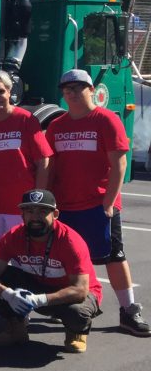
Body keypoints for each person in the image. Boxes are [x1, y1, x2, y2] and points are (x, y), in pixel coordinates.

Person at [46, 69, 148, 337]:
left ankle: (128, 311)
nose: (71, 93)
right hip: (65, 206)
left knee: (113, 257)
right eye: (66, 89)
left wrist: (109, 202)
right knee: (67, 260)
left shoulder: (106, 119)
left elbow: (120, 164)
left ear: (91, 89)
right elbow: (51, 167)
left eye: (78, 88)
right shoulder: (57, 126)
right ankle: (67, 306)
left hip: (99, 205)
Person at [0, 70, 51, 323]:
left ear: (9, 91)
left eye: (1, 91)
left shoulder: (26, 120)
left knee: (24, 260)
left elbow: (43, 161)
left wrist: (37, 203)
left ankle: (23, 307)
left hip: (21, 209)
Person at [0, 189, 102, 353]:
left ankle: (76, 332)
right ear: (22, 214)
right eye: (29, 211)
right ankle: (16, 331)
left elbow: (80, 290)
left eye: (43, 211)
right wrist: (7, 294)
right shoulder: (12, 237)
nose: (35, 217)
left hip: (76, 294)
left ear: (56, 214)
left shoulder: (70, 241)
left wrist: (40, 299)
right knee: (4, 276)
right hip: (40, 286)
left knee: (76, 312)